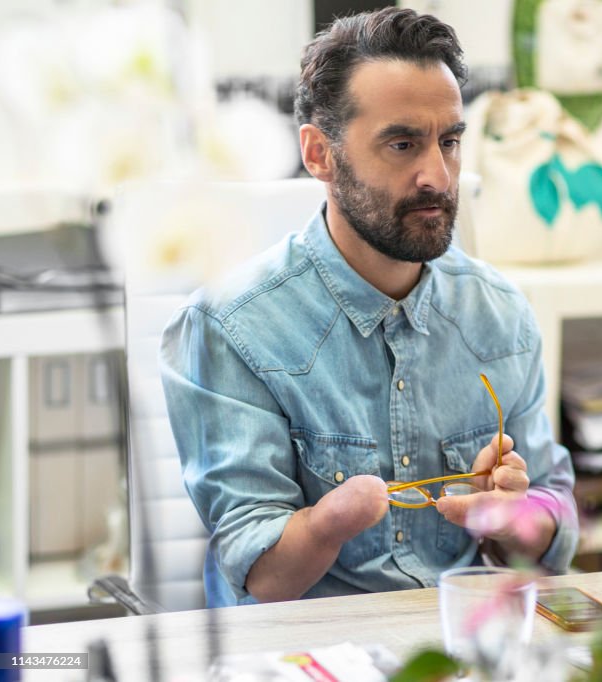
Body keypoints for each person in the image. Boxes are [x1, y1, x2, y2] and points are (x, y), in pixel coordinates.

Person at [160, 8, 578, 607]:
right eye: (402, 143)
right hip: (309, 652)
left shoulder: (501, 315)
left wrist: (519, 520)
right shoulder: (228, 327)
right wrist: (331, 521)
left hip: (462, 639)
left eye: (450, 142)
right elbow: (262, 577)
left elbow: (554, 514)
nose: (437, 174)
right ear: (319, 154)